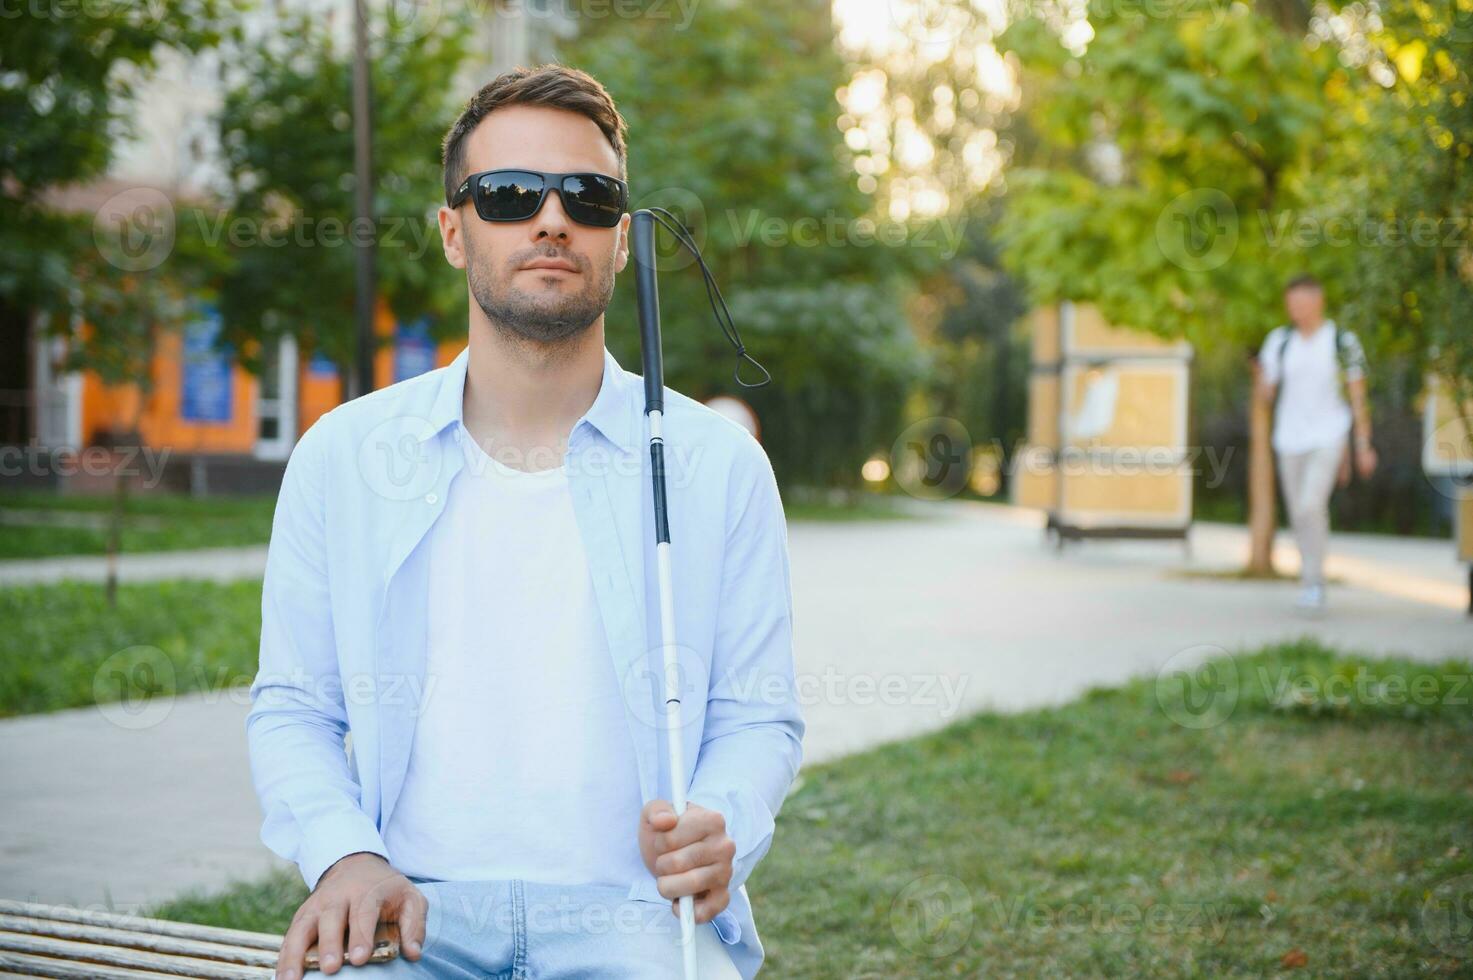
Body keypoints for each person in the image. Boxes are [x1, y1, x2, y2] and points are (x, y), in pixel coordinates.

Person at [247, 64, 804, 980]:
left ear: (621, 241)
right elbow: (294, 707)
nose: (551, 220)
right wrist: (346, 855)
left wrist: (724, 823)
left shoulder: (718, 465)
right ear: (452, 232)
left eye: (587, 197)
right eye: (507, 194)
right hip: (411, 910)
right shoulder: (342, 455)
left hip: (639, 915)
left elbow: (757, 716)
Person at [1256, 274, 1377, 612]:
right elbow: (1267, 392)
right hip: (1289, 438)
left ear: (1318, 301)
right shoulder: (1279, 341)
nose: (1296, 309)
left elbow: (1357, 395)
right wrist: (1261, 382)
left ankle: (1315, 581)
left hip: (1329, 434)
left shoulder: (1342, 341)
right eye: (1291, 303)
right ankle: (1309, 577)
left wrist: (1362, 444)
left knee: (1311, 504)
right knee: (1298, 513)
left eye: (1302, 302)